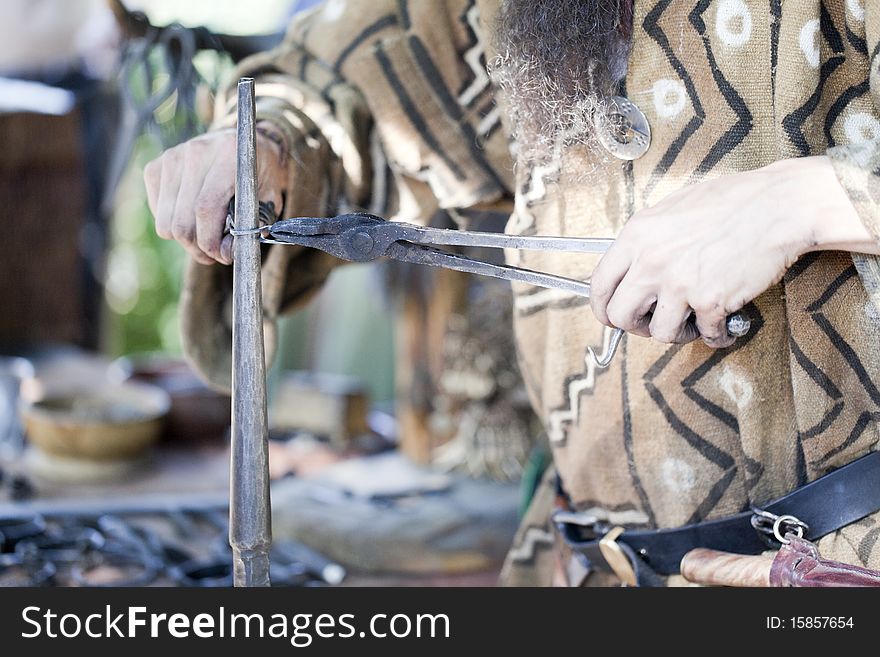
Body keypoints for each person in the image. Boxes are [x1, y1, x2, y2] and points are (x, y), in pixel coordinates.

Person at [144, 0, 880, 586]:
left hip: (839, 568)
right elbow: (361, 81)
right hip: (592, 561)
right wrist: (271, 146)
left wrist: (809, 202)